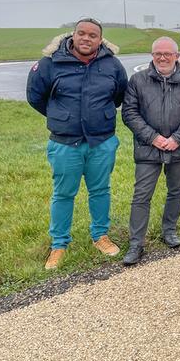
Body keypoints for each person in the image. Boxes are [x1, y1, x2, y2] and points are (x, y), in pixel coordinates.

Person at [26, 17, 128, 270]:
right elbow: (36, 97)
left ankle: (100, 236)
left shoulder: (112, 65)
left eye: (93, 35)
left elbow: (119, 95)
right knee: (63, 193)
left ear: (100, 40)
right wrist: (62, 118)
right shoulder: (49, 64)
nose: (86, 38)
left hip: (101, 142)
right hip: (65, 144)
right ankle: (59, 244)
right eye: (82, 33)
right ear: (73, 35)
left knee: (100, 190)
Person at [120, 37, 180, 265]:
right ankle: (136, 243)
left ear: (177, 56)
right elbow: (129, 113)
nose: (162, 57)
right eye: (158, 53)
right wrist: (153, 138)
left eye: (168, 53)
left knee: (176, 190)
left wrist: (177, 138)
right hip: (148, 148)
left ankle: (170, 231)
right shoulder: (138, 81)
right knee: (141, 195)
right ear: (152, 55)